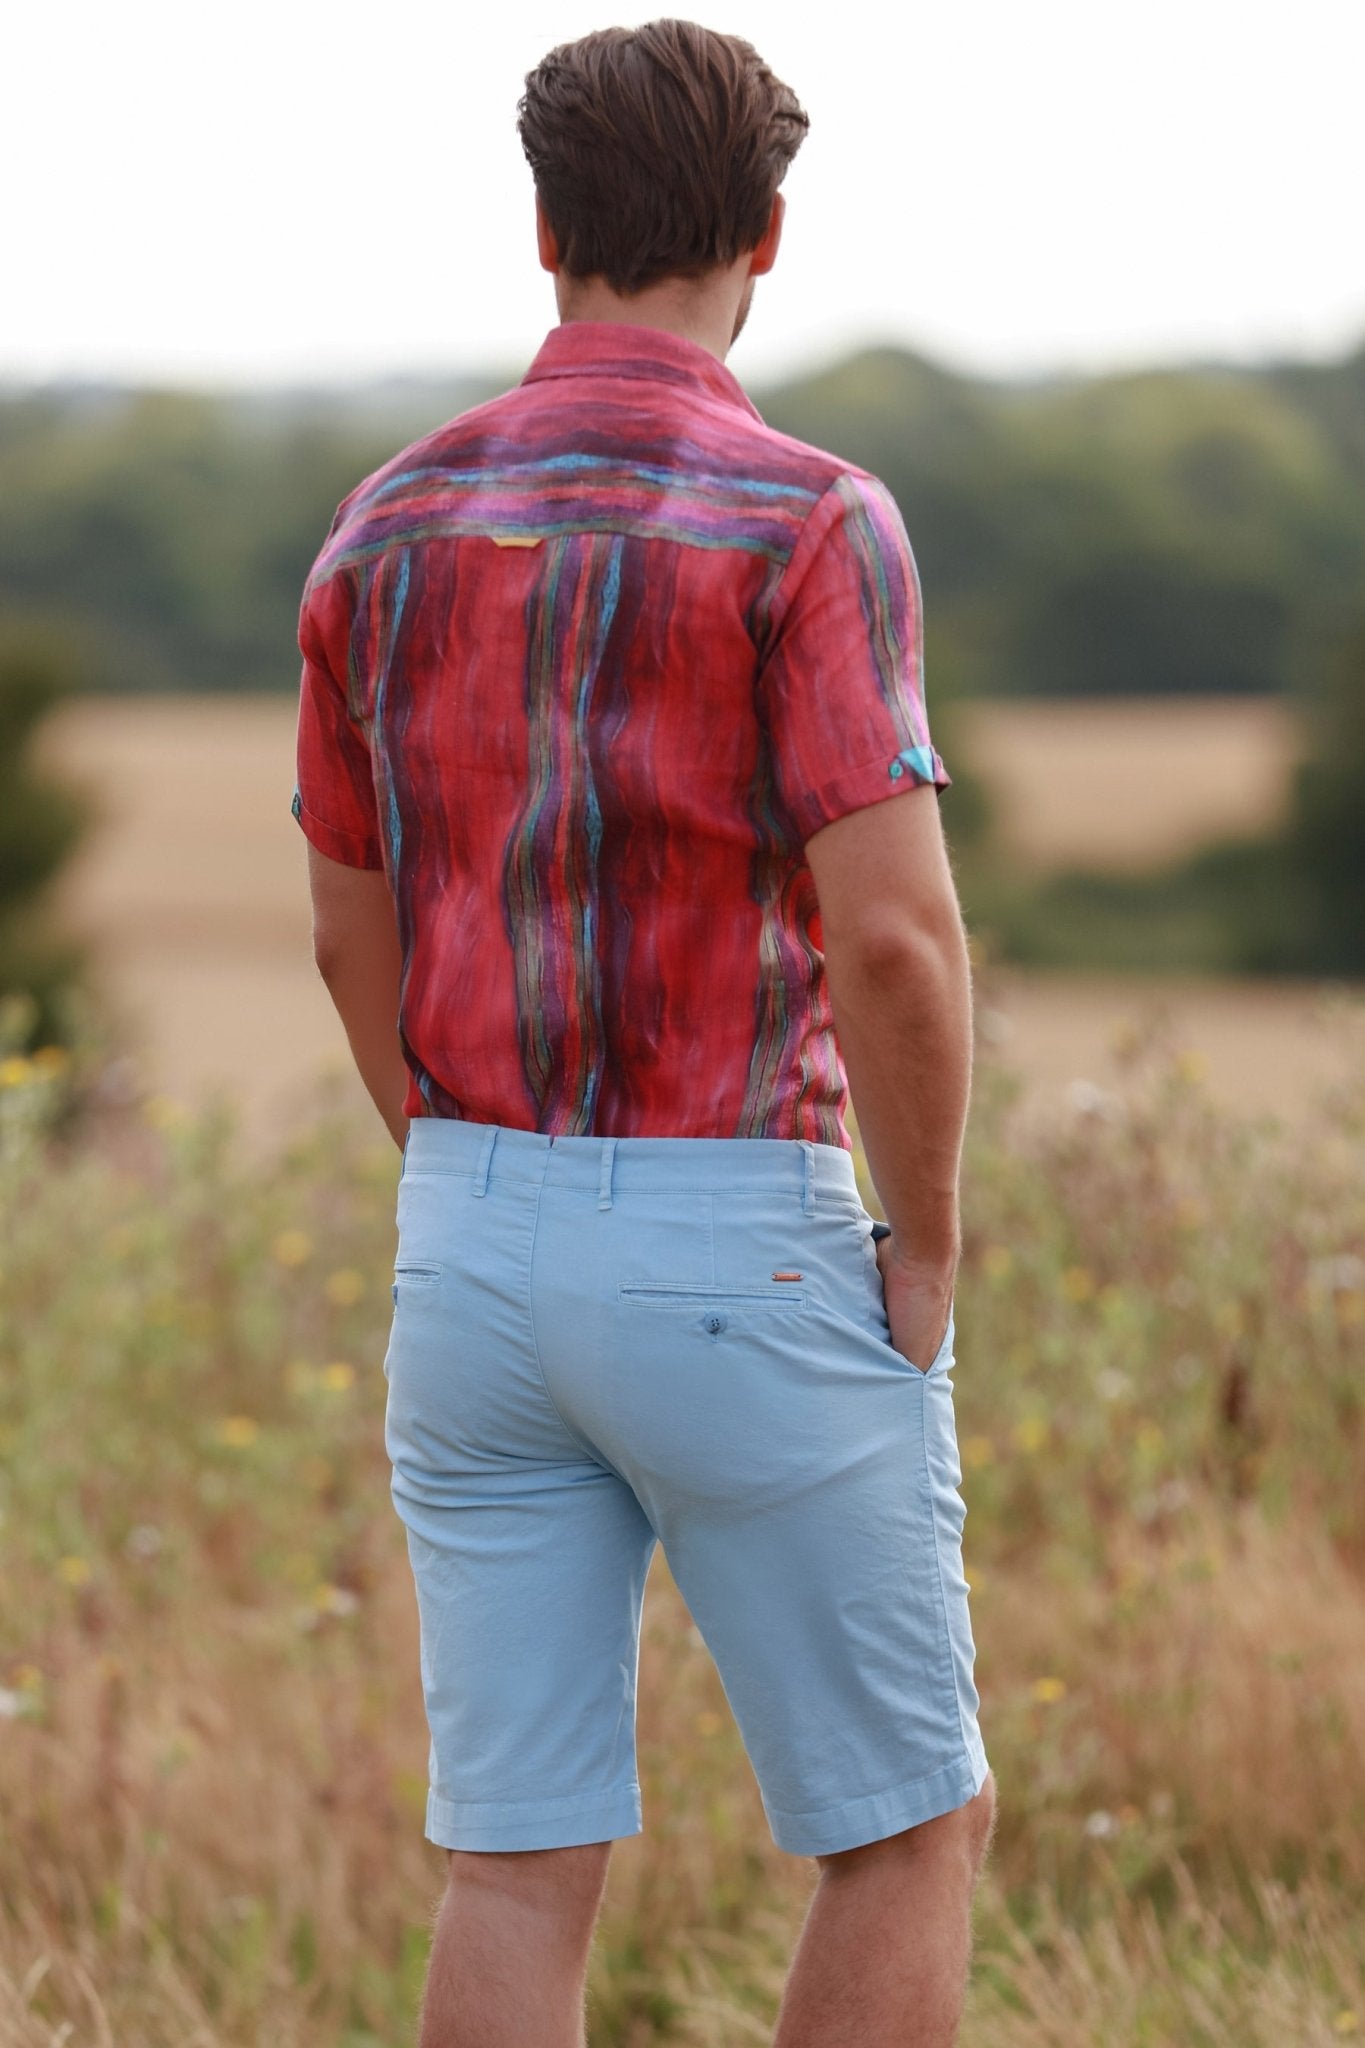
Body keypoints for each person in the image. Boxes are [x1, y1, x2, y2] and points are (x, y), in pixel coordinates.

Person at [292, 19, 994, 2045]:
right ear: (766, 236)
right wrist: (926, 1241)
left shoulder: (381, 525)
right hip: (738, 1228)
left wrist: (473, 1177)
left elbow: (345, 933)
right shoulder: (809, 520)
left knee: (515, 1858)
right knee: (903, 1829)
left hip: (466, 1235)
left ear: (543, 228)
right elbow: (896, 945)